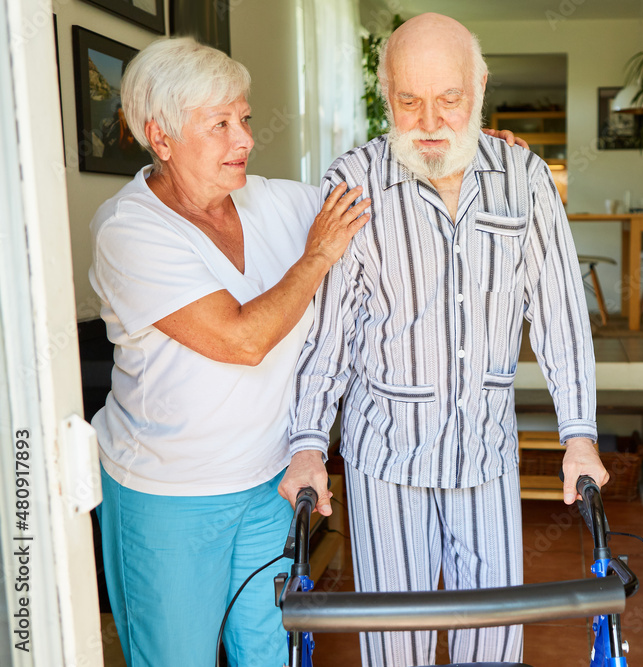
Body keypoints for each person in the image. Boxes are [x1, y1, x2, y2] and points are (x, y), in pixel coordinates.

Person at [89, 36, 526, 667]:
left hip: (270, 486)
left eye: (244, 118)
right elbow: (242, 338)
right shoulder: (128, 229)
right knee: (175, 657)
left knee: (269, 653)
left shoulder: (273, 201)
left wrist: (473, 155)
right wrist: (317, 255)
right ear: (161, 138)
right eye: (220, 125)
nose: (244, 139)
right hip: (171, 497)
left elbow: (388, 194)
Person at [284, 13, 610, 666]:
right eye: (409, 101)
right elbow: (329, 331)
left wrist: (578, 433)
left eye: (449, 99)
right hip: (387, 462)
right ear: (386, 97)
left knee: (493, 644)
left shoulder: (525, 178)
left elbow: (559, 311)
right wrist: (308, 444)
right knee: (393, 648)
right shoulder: (353, 183)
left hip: (486, 459)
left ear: (480, 87)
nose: (429, 121)